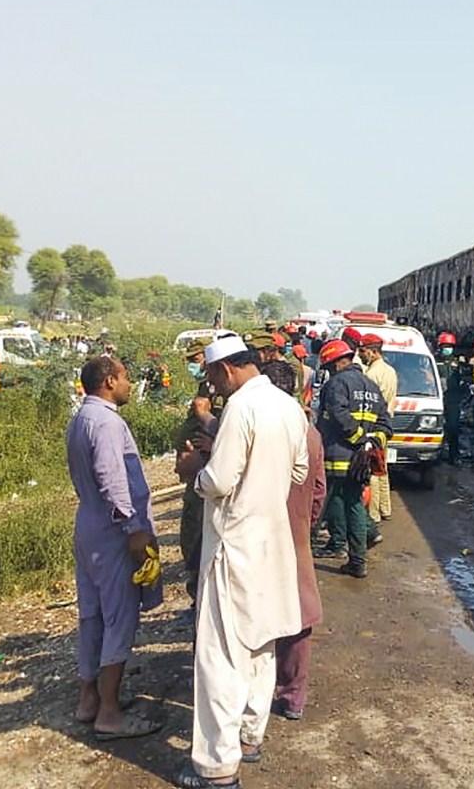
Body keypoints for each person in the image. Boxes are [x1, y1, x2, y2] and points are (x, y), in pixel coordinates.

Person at [173, 336, 309, 788]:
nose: (212, 387)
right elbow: (298, 472)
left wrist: (197, 469)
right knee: (261, 644)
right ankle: (250, 738)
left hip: (235, 545)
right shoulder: (288, 406)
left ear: (226, 370)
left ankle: (216, 767)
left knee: (220, 655)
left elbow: (220, 479)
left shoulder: (240, 408)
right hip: (273, 543)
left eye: (212, 377)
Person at [65, 356, 162, 741]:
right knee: (118, 617)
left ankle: (88, 699)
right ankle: (109, 711)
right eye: (124, 378)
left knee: (92, 615)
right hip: (112, 531)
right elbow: (111, 478)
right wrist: (134, 528)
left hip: (89, 524)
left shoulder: (81, 418)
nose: (128, 384)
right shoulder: (106, 422)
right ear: (109, 381)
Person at [258, 361, 326, 722]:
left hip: (258, 535)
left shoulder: (255, 427)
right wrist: (305, 525)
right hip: (296, 534)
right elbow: (318, 491)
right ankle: (292, 695)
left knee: (254, 613)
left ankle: (253, 692)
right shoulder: (309, 433)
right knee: (298, 619)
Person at [312, 339, 391, 578]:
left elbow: (337, 414)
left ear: (335, 363)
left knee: (340, 501)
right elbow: (386, 425)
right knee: (351, 502)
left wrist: (358, 437)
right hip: (361, 460)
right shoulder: (371, 386)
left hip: (337, 455)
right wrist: (370, 442)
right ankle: (354, 556)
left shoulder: (337, 383)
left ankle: (347, 552)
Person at [173, 339, 222, 603]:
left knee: (196, 531)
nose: (193, 364)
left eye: (196, 359)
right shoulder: (206, 386)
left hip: (206, 467)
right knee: (191, 529)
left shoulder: (218, 391)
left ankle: (199, 594)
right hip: (197, 466)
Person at [359, 333, 397, 524]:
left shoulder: (371, 375)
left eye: (363, 351)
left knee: (373, 470)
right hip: (386, 425)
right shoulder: (391, 371)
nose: (361, 355)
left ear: (373, 352)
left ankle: (373, 513)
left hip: (373, 427)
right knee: (382, 468)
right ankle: (385, 508)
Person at [435, 333, 467, 464]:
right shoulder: (434, 360)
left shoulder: (458, 362)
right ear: (440, 347)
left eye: (450, 346)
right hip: (439, 398)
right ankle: (438, 452)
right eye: (445, 346)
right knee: (437, 427)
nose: (448, 349)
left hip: (453, 398)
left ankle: (454, 455)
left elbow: (465, 378)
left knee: (453, 427)